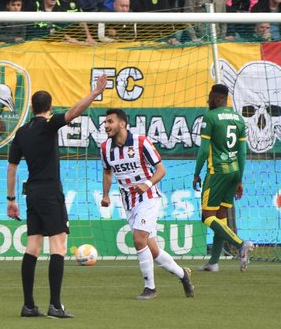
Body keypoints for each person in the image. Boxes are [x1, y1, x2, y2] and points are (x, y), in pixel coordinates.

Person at [6, 73, 108, 319]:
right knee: (58, 247)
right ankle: (55, 305)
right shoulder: (50, 124)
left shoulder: (21, 133)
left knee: (32, 247)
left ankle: (29, 305)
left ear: (32, 108)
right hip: (51, 192)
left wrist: (11, 201)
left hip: (31, 194)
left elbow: (11, 169)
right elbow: (73, 112)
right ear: (49, 108)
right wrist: (95, 93)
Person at [100, 108, 195, 300]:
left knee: (138, 238)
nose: (106, 125)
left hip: (149, 197)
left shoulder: (141, 142)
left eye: (110, 121)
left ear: (122, 123)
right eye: (105, 122)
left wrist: (147, 183)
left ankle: (150, 288)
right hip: (128, 201)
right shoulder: (105, 148)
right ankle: (183, 275)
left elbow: (161, 169)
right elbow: (108, 172)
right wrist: (106, 195)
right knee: (152, 249)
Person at [193, 84, 253, 272]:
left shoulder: (210, 117)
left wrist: (196, 173)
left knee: (206, 216)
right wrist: (240, 179)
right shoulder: (239, 119)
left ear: (217, 98)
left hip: (217, 172)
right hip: (234, 171)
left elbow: (203, 150)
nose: (208, 100)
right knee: (220, 217)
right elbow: (242, 153)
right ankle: (213, 262)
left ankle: (240, 243)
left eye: (210, 97)